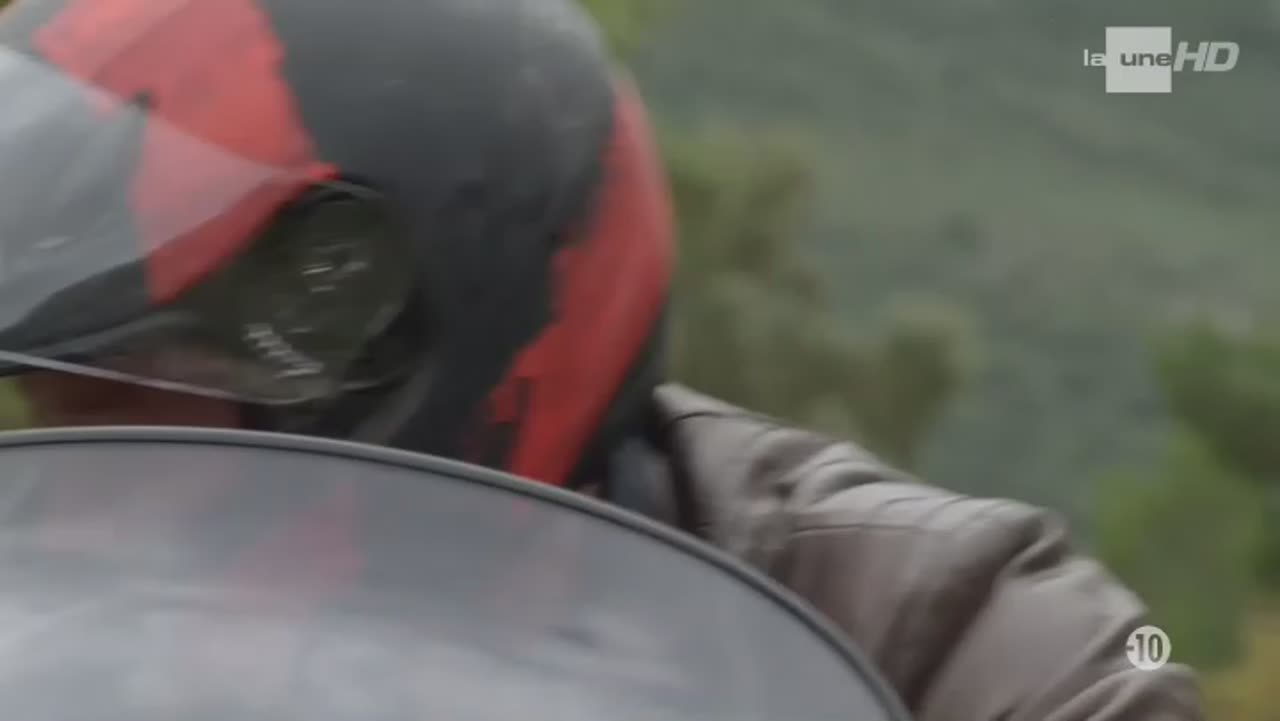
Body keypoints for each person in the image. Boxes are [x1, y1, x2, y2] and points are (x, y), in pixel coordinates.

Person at [0, 0, 1203, 718]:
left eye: (138, 411)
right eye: (50, 415)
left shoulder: (947, 636)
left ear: (408, 385)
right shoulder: (51, 627)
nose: (75, 499)